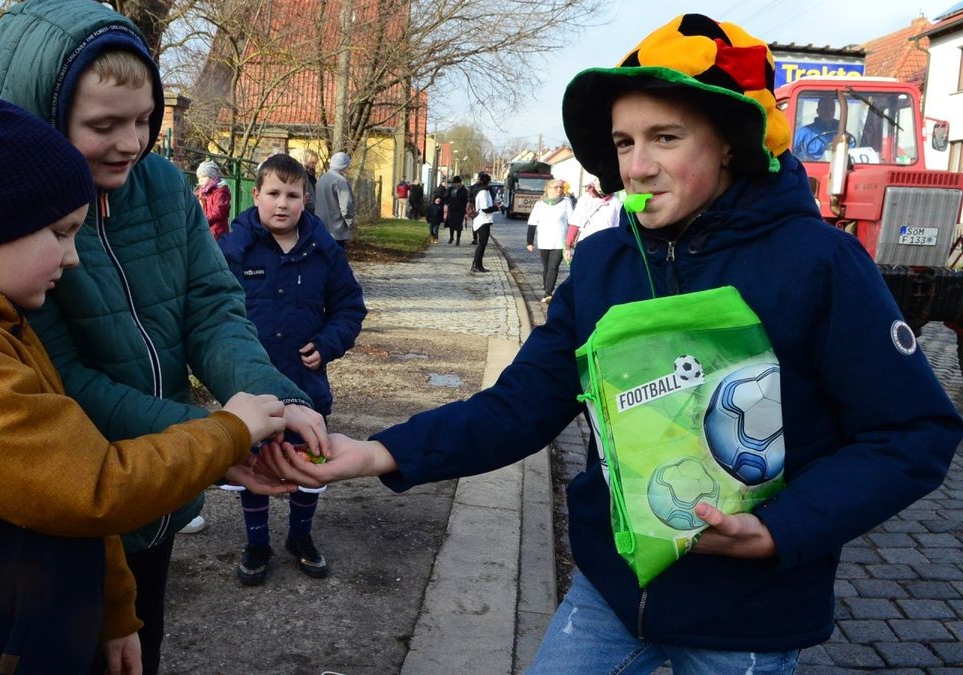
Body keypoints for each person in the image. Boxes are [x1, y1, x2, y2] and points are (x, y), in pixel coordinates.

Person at [261, 13, 963, 674]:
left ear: (727, 141)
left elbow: (912, 432)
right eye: (625, 143)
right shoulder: (603, 263)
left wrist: (782, 530)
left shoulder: (822, 263)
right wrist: (383, 451)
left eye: (666, 138)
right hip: (614, 592)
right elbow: (524, 402)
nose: (638, 165)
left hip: (751, 610)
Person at [0, 93, 289, 673]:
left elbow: (61, 479)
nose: (73, 259)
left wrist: (114, 614)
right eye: (61, 234)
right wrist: (230, 431)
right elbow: (93, 488)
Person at [0, 2, 328, 672]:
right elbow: (66, 381)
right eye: (103, 125)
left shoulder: (166, 187)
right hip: (74, 502)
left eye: (145, 120)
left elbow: (212, 307)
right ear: (43, 118)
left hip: (160, 492)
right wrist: (215, 439)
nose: (131, 142)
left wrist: (270, 399)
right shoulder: (20, 224)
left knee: (144, 646)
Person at [218, 154, 367, 586]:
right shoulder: (234, 250)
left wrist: (327, 345)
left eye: (292, 195)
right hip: (252, 390)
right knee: (256, 468)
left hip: (306, 388)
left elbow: (349, 307)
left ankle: (300, 536)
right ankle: (257, 543)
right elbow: (215, 312)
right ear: (256, 195)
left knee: (308, 463)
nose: (282, 203)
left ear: (306, 199)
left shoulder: (323, 252)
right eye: (273, 193)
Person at [525, 179, 572, 302]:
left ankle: (548, 293)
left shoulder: (566, 202)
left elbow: (572, 222)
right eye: (556, 187)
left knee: (553, 267)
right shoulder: (540, 204)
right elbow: (532, 223)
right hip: (544, 240)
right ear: (548, 189)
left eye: (561, 187)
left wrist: (570, 241)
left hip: (560, 241)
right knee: (546, 267)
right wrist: (529, 242)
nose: (559, 190)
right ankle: (547, 287)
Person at [565, 180, 622, 265]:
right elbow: (575, 222)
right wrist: (568, 246)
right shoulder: (585, 199)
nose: (599, 183)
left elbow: (618, 227)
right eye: (597, 180)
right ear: (593, 183)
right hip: (585, 243)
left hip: (605, 245)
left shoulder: (616, 201)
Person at [315, 151, 356, 250]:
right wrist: (351, 224)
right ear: (345, 166)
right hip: (337, 230)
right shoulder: (340, 181)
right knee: (337, 261)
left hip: (320, 228)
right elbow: (346, 207)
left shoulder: (321, 179)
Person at [792, 95, 839, 161]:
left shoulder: (841, 134)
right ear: (818, 111)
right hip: (810, 168)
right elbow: (790, 151)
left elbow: (850, 151)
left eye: (831, 108)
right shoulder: (804, 132)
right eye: (824, 108)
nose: (828, 111)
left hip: (835, 166)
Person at [469, 172, 498, 273]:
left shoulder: (485, 191)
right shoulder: (483, 193)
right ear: (488, 182)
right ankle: (476, 265)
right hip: (482, 220)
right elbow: (485, 208)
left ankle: (479, 264)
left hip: (485, 220)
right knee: (482, 244)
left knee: (483, 244)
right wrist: (496, 208)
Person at [195, 160, 231, 240]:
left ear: (212, 177)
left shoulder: (221, 192)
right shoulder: (200, 192)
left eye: (204, 176)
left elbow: (219, 211)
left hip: (218, 233)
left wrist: (205, 220)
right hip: (205, 231)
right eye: (198, 178)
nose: (200, 180)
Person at [444, 175, 468, 245]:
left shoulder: (464, 190)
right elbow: (446, 197)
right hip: (451, 209)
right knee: (451, 224)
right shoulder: (450, 189)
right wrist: (447, 202)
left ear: (460, 183)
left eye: (457, 183)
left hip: (460, 210)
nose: (456, 184)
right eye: (455, 183)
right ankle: (451, 237)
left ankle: (458, 239)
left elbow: (465, 200)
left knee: (458, 226)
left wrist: (464, 209)